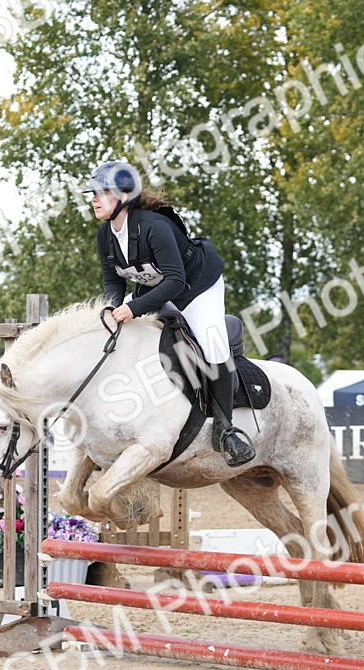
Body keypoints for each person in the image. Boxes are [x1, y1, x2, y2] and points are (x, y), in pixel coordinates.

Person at [86, 160, 255, 467]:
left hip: (196, 286)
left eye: (102, 192)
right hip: (155, 288)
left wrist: (134, 308)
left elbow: (176, 280)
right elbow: (113, 281)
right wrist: (112, 308)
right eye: (93, 194)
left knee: (212, 343)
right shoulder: (105, 234)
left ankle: (226, 430)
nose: (94, 199)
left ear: (123, 196)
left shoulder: (155, 226)